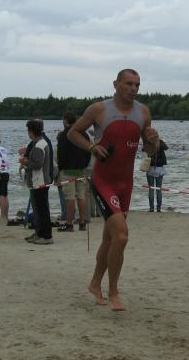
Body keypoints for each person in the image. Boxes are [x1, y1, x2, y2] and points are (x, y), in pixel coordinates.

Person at [68, 69, 159, 311]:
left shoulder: (143, 112)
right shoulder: (98, 109)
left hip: (125, 184)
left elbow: (150, 150)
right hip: (103, 180)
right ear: (116, 84)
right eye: (129, 83)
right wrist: (91, 147)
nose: (134, 88)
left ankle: (94, 284)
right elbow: (72, 132)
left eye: (137, 84)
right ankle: (114, 292)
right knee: (121, 236)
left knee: (110, 239)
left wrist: (154, 141)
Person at [56, 112, 91, 231]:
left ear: (65, 120)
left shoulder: (64, 135)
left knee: (69, 196)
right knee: (81, 195)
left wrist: (60, 168)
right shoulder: (84, 134)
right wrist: (84, 164)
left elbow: (61, 154)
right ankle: (82, 222)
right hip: (81, 168)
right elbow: (88, 151)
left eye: (63, 120)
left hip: (68, 169)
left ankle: (69, 223)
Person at [21, 119, 54, 245]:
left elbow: (37, 164)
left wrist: (25, 162)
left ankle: (46, 236)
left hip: (40, 182)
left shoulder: (39, 145)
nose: (28, 133)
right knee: (39, 210)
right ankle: (39, 233)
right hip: (38, 182)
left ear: (31, 131)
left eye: (28, 130)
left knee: (42, 210)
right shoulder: (39, 143)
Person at [146, 139, 168, 212]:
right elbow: (166, 147)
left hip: (150, 168)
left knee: (151, 189)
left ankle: (151, 208)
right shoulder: (160, 144)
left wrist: (149, 143)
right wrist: (160, 141)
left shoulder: (149, 144)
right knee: (158, 189)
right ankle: (158, 208)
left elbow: (143, 149)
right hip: (159, 169)